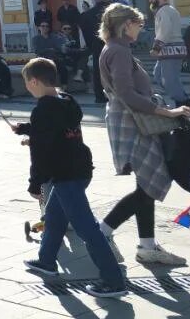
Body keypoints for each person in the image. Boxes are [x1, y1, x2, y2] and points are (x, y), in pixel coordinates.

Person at [11, 58, 127, 298]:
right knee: (54, 217)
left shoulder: (43, 109)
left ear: (34, 81)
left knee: (88, 229)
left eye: (27, 84)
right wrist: (27, 128)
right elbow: (55, 129)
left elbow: (40, 150)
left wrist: (35, 183)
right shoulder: (67, 100)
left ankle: (113, 280)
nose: (28, 88)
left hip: (65, 174)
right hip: (81, 167)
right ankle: (46, 261)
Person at [97, 3, 190, 267]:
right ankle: (103, 231)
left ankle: (147, 245)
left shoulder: (115, 49)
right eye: (138, 23)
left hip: (129, 121)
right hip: (134, 123)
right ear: (126, 24)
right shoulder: (119, 51)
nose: (141, 28)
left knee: (147, 183)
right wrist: (166, 112)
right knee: (151, 181)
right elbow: (127, 93)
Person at [149, 0, 186, 106]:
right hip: (170, 49)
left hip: (171, 49)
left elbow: (165, 31)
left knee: (169, 81)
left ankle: (185, 105)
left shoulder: (164, 11)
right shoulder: (167, 10)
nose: (150, 0)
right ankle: (182, 101)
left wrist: (156, 48)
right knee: (158, 76)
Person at [80, 0, 110, 103]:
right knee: (114, 68)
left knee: (98, 70)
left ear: (94, 0)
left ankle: (99, 96)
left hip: (96, 44)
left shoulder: (87, 14)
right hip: (112, 43)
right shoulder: (112, 12)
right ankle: (115, 94)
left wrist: (90, 45)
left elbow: (84, 30)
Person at [31, 22, 73, 87]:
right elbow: (37, 50)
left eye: (47, 26)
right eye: (43, 26)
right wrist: (49, 49)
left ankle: (64, 87)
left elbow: (58, 48)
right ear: (39, 28)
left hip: (54, 58)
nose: (45, 28)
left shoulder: (54, 37)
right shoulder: (36, 39)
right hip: (43, 59)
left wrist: (49, 50)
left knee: (63, 69)